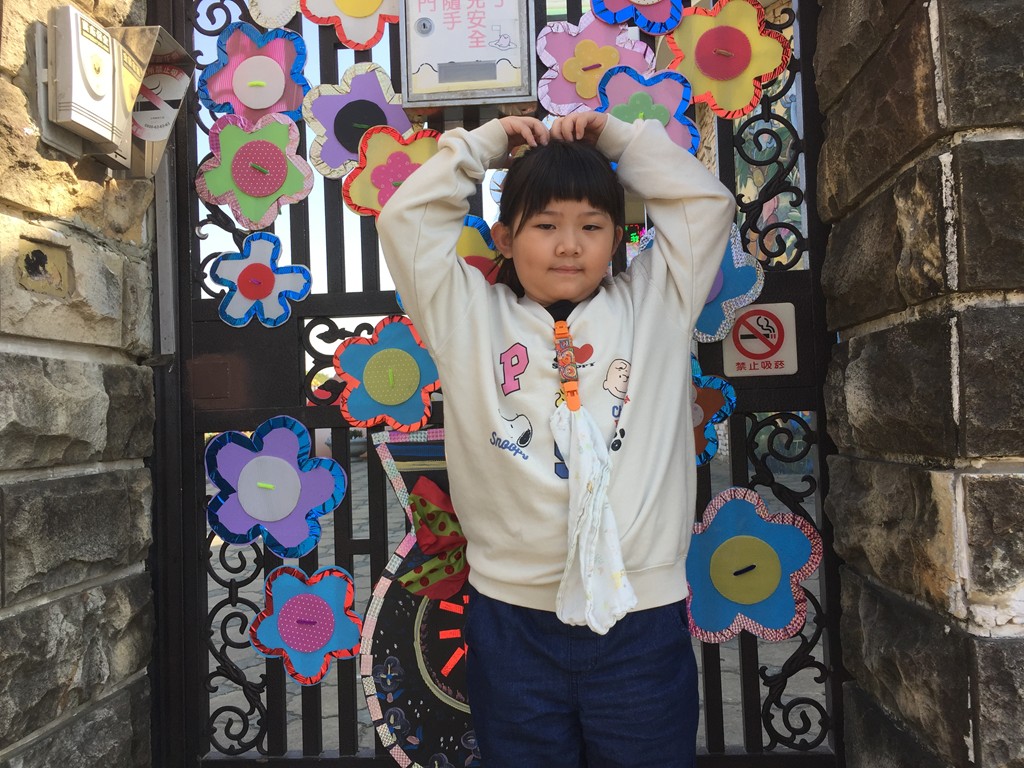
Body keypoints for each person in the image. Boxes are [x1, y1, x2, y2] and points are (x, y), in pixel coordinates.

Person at [377, 110, 734, 767]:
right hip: (513, 625)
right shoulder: (465, 315)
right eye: (546, 225)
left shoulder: (657, 304)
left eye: (591, 226)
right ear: (505, 237)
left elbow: (705, 205)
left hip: (641, 621)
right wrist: (484, 145)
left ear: (617, 238)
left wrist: (617, 139)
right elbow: (406, 221)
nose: (570, 245)